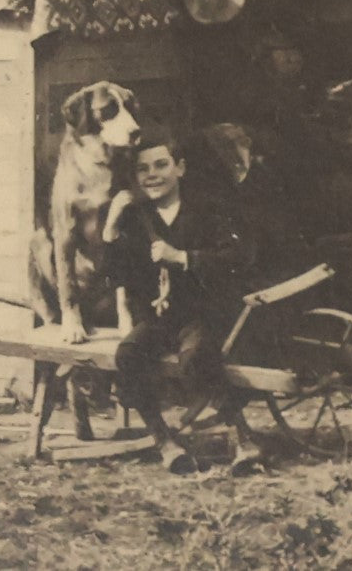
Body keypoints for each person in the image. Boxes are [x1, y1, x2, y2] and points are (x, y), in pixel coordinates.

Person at [104, 128, 265, 474]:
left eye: (161, 165)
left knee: (198, 355)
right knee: (129, 355)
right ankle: (165, 441)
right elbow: (117, 273)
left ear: (180, 168)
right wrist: (112, 226)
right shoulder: (137, 217)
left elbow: (239, 254)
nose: (152, 176)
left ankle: (243, 439)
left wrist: (184, 258)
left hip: (202, 311)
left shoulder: (207, 209)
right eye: (143, 170)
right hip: (160, 318)